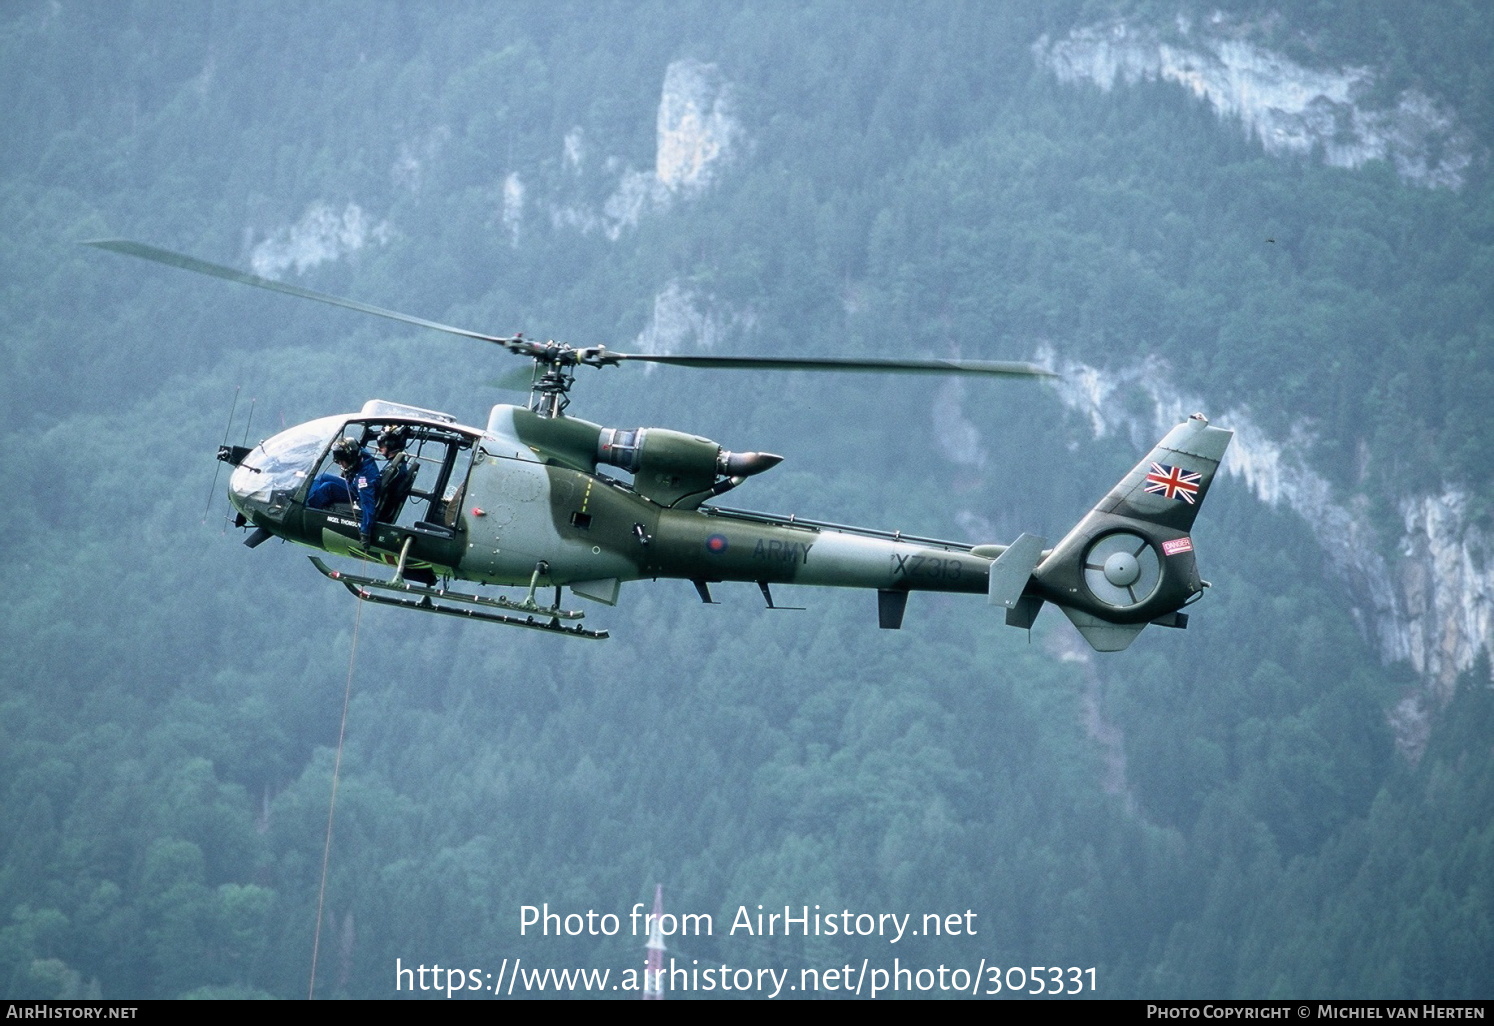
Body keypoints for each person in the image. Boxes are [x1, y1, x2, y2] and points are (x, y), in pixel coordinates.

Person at [308, 436, 379, 547]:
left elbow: (368, 505)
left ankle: (308, 508)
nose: (340, 464)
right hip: (353, 484)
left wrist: (365, 532)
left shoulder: (363, 481)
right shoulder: (360, 454)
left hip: (356, 494)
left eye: (342, 461)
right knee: (323, 476)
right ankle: (305, 496)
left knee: (327, 487)